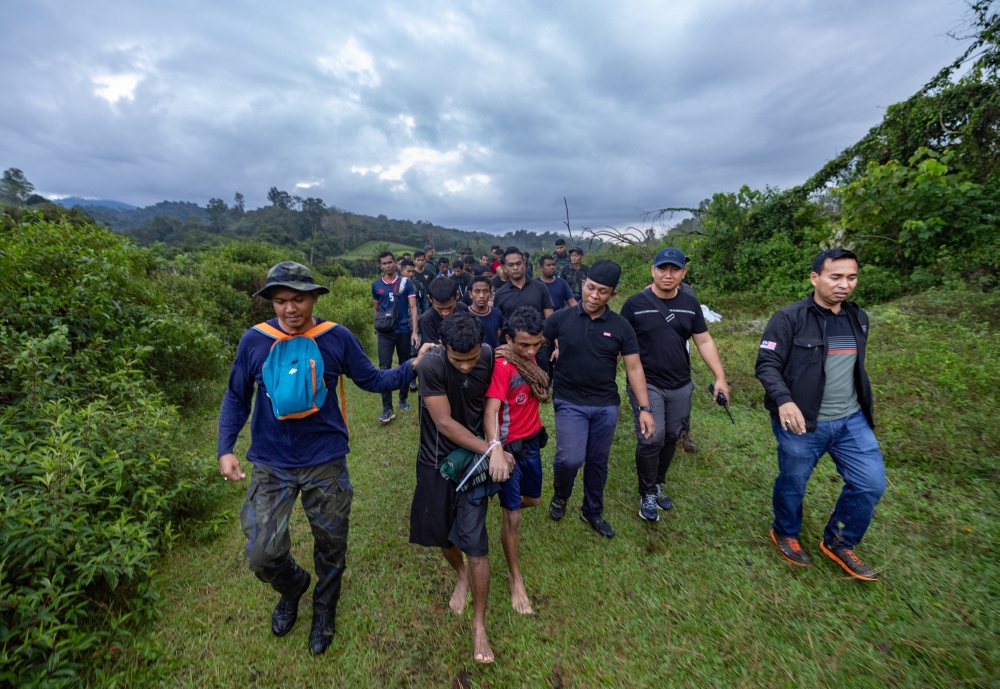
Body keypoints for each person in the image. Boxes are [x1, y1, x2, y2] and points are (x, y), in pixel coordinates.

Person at [218, 261, 434, 655]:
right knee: (261, 552)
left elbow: (372, 379)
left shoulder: (336, 338)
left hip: (325, 459)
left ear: (314, 297)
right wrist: (225, 449)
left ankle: (324, 608)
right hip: (271, 461)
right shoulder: (254, 341)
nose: (289, 309)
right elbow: (236, 396)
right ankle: (293, 586)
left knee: (331, 542)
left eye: (297, 299)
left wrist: (412, 367)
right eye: (280, 301)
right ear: (271, 303)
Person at [756, 248, 884, 582]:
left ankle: (840, 541)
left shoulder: (858, 318)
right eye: (836, 277)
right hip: (802, 423)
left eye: (851, 277)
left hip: (852, 420)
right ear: (815, 278)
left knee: (870, 483)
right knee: (793, 482)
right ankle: (785, 531)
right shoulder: (789, 318)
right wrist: (784, 400)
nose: (845, 285)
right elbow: (766, 365)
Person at [409, 313, 514, 664]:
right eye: (459, 360)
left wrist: (494, 443)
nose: (468, 367)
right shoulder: (432, 365)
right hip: (436, 460)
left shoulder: (487, 354)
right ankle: (460, 576)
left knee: (475, 543)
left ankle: (479, 625)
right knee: (443, 538)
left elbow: (494, 401)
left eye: (472, 360)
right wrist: (493, 449)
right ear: (443, 346)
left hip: (474, 464)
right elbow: (444, 423)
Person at [543, 260, 655, 538]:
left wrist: (645, 408)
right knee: (570, 458)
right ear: (583, 284)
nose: (594, 296)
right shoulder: (560, 319)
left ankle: (591, 511)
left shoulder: (621, 327)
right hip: (569, 400)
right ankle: (561, 494)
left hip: (605, 405)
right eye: (590, 288)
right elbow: (533, 345)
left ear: (612, 295)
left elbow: (634, 367)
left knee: (597, 461)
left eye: (602, 291)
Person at [620, 247, 730, 521]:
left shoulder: (690, 303)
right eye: (662, 269)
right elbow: (619, 346)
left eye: (675, 270)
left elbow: (703, 340)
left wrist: (720, 377)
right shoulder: (634, 304)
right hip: (647, 383)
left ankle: (657, 483)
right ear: (653, 271)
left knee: (671, 435)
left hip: (680, 383)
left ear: (684, 273)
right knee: (651, 437)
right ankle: (646, 493)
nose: (668, 275)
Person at [483, 306, 548, 615]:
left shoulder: (529, 360)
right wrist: (496, 448)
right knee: (513, 518)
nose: (531, 350)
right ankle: (515, 578)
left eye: (537, 344)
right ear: (508, 339)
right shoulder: (503, 366)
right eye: (524, 344)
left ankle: (502, 503)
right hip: (510, 451)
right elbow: (491, 410)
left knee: (533, 501)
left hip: (533, 443)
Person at [372, 252, 419, 424]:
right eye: (384, 263)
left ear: (395, 264)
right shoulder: (376, 285)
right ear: (380, 266)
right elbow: (376, 310)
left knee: (405, 363)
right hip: (385, 332)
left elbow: (413, 308)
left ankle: (403, 398)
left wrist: (414, 331)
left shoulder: (406, 283)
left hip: (403, 330)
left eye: (390, 262)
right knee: (383, 368)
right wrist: (377, 331)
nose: (387, 266)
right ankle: (387, 408)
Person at [493, 247, 554, 329]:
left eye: (518, 264)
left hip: (538, 339)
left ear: (524, 265)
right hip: (510, 340)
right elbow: (497, 324)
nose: (515, 268)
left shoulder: (540, 288)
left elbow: (550, 319)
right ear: (504, 268)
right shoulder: (499, 294)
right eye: (511, 265)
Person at [418, 276, 469, 345]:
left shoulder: (463, 309)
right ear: (430, 299)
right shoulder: (427, 320)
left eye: (450, 307)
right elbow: (433, 349)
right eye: (440, 309)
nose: (445, 313)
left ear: (457, 295)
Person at [468, 275, 503, 348]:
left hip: (493, 356)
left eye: (485, 291)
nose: (481, 295)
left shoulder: (497, 313)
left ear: (490, 294)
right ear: (470, 294)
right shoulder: (465, 314)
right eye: (477, 291)